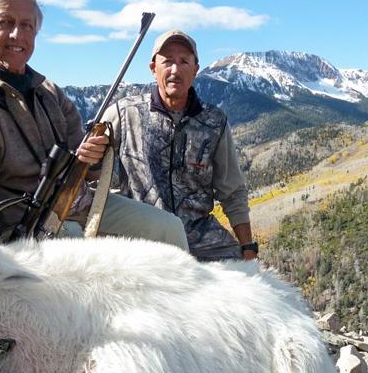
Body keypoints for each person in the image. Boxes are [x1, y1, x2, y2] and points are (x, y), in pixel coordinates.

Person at [0, 0, 187, 250]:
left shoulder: (48, 92)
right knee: (84, 253)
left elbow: (89, 170)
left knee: (169, 229)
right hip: (21, 227)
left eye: (27, 25)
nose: (17, 35)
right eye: (5, 22)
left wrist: (93, 156)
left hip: (78, 202)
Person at [102, 29, 258, 261]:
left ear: (195, 69)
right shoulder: (123, 113)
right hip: (140, 235)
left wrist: (248, 248)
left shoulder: (214, 122)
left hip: (201, 236)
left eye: (184, 61)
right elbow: (89, 172)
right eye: (168, 61)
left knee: (247, 281)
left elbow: (232, 190)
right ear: (154, 68)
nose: (175, 69)